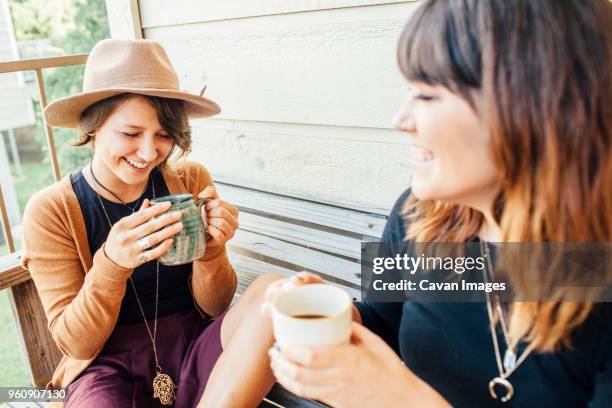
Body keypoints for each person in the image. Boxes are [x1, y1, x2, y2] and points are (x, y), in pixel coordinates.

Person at [261, 0, 612, 406]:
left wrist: (399, 399)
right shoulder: (418, 215)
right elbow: (381, 322)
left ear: (531, 107)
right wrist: (332, 317)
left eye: (426, 94)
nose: (401, 118)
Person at [21, 39, 279, 407]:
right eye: (130, 134)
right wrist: (111, 264)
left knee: (275, 292)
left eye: (163, 135)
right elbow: (76, 343)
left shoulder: (188, 181)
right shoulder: (52, 210)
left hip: (193, 343)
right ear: (92, 125)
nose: (148, 153)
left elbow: (215, 307)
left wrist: (212, 252)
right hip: (105, 366)